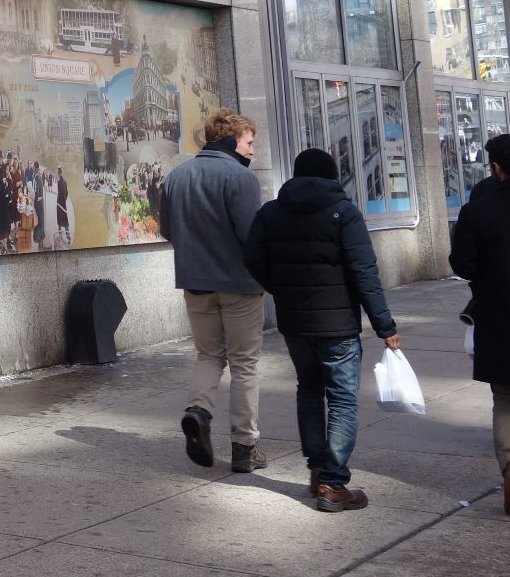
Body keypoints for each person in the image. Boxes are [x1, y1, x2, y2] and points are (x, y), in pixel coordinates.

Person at [245, 148, 401, 512]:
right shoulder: (343, 213)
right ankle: (332, 483)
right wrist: (385, 326)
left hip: (295, 322)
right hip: (338, 326)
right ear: (332, 177)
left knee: (310, 392)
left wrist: (280, 288)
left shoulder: (270, 213)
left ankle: (317, 470)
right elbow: (365, 272)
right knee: (343, 399)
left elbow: (252, 258)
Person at [158, 109, 266, 473]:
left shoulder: (176, 177)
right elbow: (252, 236)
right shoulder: (240, 178)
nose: (252, 150)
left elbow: (168, 231)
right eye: (249, 142)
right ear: (233, 139)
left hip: (195, 282)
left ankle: (198, 411)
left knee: (208, 356)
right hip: (239, 284)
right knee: (244, 365)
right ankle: (244, 447)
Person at [451, 133, 510, 515]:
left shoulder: (478, 209)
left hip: (499, 314)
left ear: (497, 167)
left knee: (504, 400)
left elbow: (462, 263)